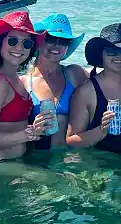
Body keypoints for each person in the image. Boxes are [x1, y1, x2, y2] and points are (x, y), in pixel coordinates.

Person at [0, 11, 54, 159]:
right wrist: (29, 134)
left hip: (16, 161)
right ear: (0, 43)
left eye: (26, 43)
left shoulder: (14, 78)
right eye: (12, 41)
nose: (19, 47)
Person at [67, 23, 121, 156]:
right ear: (101, 54)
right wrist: (101, 131)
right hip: (104, 167)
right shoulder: (86, 92)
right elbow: (71, 140)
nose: (119, 57)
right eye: (112, 51)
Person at [26, 14, 88, 151]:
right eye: (51, 39)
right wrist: (33, 129)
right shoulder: (24, 83)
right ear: (39, 40)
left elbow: (103, 84)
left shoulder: (75, 74)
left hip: (70, 159)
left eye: (64, 41)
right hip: (37, 160)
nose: (57, 45)